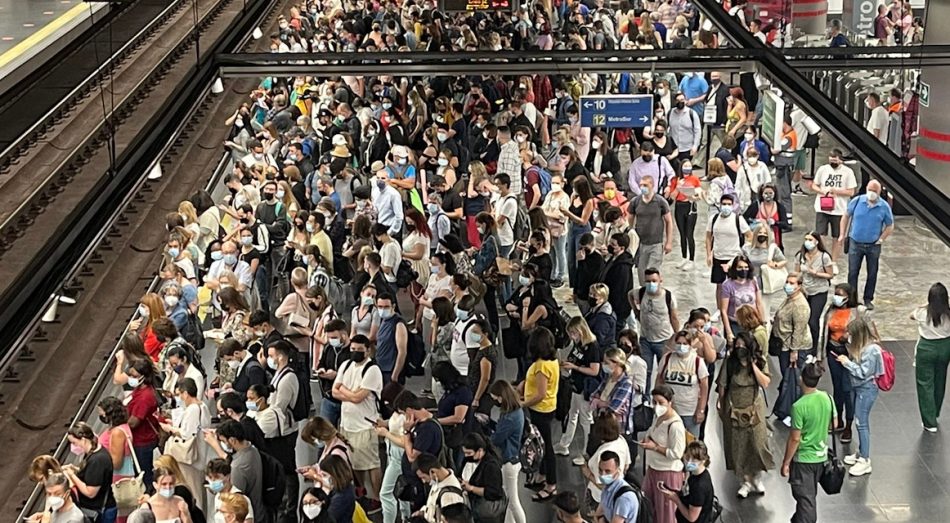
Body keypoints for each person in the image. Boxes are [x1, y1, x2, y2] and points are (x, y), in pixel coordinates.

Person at [716, 331, 773, 498]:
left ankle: (757, 476)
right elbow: (722, 385)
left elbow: (765, 382)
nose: (740, 348)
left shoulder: (760, 361)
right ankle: (745, 481)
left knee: (757, 443)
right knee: (737, 446)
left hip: (754, 406)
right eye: (737, 345)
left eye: (743, 346)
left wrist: (753, 365)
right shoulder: (730, 362)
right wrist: (721, 405)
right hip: (734, 406)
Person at [331, 334, 384, 503]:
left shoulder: (372, 370)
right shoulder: (346, 365)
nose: (354, 353)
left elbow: (358, 398)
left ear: (367, 351)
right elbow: (334, 391)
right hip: (347, 425)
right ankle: (361, 490)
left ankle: (376, 496)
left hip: (365, 425)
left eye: (359, 350)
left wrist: (344, 390)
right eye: (352, 349)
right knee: (354, 463)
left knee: (371, 464)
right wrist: (350, 393)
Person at [781, 362, 835, 523]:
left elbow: (795, 438)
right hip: (821, 457)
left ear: (801, 379)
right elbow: (835, 424)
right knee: (808, 497)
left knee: (806, 503)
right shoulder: (827, 398)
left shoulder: (799, 406)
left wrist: (786, 462)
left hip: (803, 460)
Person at [835, 317, 884, 476]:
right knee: (859, 421)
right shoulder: (862, 347)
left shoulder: (871, 351)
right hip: (859, 388)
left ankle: (865, 459)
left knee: (861, 423)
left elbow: (863, 373)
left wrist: (846, 363)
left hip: (866, 389)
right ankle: (862, 451)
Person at [839, 179, 894, 311]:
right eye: (870, 190)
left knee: (872, 273)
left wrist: (881, 239)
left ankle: (868, 298)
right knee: (852, 272)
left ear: (879, 192)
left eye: (875, 191)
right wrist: (842, 233)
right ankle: (852, 298)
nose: (871, 193)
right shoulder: (857, 201)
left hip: (873, 245)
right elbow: (846, 216)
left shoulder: (884, 207)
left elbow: (890, 225)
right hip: (855, 242)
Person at [520, 327, 560, 502]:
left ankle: (551, 484)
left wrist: (523, 403)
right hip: (547, 407)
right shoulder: (552, 361)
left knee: (546, 446)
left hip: (540, 409)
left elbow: (540, 393)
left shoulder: (542, 366)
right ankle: (543, 475)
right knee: (543, 443)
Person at [556, 316, 603, 456]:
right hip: (576, 385)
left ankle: (587, 451)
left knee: (586, 420)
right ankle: (564, 444)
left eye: (573, 333)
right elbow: (574, 358)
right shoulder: (578, 344)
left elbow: (595, 371)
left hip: (586, 388)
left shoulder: (593, 347)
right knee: (572, 415)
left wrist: (575, 367)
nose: (571, 336)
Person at [656, 330, 709, 437]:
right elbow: (659, 380)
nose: (681, 346)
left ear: (690, 345)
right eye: (679, 343)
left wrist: (701, 410)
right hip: (669, 410)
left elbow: (704, 387)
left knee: (690, 444)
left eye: (685, 344)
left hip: (689, 412)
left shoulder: (697, 361)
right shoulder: (667, 358)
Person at [913, 282, 950, 432]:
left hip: (926, 348)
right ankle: (935, 411)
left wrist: (924, 305)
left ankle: (929, 422)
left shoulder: (923, 313)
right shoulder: (948, 312)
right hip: (945, 347)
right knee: (940, 380)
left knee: (925, 384)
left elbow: (911, 315)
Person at [208, 421, 264, 520]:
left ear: (233, 440)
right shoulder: (252, 450)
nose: (223, 444)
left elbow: (234, 500)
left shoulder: (237, 467)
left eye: (224, 441)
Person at [63, 422, 118, 523]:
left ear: (83, 440)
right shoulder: (94, 453)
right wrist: (76, 470)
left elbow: (90, 492)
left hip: (101, 511)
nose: (73, 446)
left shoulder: (97, 460)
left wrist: (72, 475)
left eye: (74, 443)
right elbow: (91, 474)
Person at [488, 380, 526, 523]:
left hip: (509, 461)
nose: (495, 401)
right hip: (513, 458)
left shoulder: (510, 417)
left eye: (495, 398)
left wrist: (489, 428)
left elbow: (497, 438)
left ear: (501, 397)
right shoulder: (516, 411)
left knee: (513, 501)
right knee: (508, 500)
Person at [633, 267, 679, 387]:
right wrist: (635, 310)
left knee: (664, 372)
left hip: (663, 340)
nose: (651, 284)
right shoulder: (640, 292)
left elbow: (674, 317)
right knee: (644, 371)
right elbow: (629, 295)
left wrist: (677, 336)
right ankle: (645, 399)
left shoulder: (668, 297)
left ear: (660, 280)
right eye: (648, 281)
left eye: (654, 280)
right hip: (645, 340)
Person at [810, 149, 857, 262]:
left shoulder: (848, 172)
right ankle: (822, 258)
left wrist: (836, 191)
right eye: (831, 160)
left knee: (837, 236)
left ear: (840, 160)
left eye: (835, 160)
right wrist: (823, 192)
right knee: (821, 234)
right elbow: (814, 185)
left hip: (839, 209)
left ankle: (834, 260)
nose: (833, 163)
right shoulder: (823, 169)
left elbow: (851, 192)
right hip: (822, 207)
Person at [627, 175, 674, 287]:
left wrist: (669, 242)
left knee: (652, 272)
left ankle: (654, 294)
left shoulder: (660, 202)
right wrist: (631, 230)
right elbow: (630, 216)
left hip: (656, 243)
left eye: (645, 185)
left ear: (652, 185)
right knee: (641, 273)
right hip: (641, 244)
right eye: (641, 185)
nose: (642, 187)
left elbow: (669, 221)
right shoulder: (636, 201)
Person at [579, 414, 631, 512]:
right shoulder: (621, 440)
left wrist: (588, 473)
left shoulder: (603, 454)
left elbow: (602, 484)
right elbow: (627, 465)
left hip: (599, 498)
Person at [794, 232, 834, 353]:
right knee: (803, 318)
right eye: (806, 239)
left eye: (810, 239)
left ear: (817, 241)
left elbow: (830, 274)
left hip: (819, 290)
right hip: (805, 290)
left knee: (813, 319)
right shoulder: (800, 256)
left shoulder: (824, 257)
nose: (807, 242)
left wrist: (815, 273)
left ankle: (814, 348)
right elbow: (796, 273)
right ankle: (803, 343)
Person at [659, 441, 716, 523]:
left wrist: (676, 500)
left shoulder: (699, 486)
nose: (689, 462)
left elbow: (692, 517)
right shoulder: (697, 474)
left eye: (694, 459)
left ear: (703, 460)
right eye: (688, 456)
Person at [125, 359, 160, 490]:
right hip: (138, 441)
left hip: (143, 443)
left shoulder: (145, 397)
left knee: (145, 476)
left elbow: (134, 422)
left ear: (143, 376)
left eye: (134, 376)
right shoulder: (139, 390)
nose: (131, 379)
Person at [459, 433, 506, 523]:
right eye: (464, 453)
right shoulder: (468, 460)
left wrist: (471, 488)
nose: (466, 456)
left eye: (469, 453)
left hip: (486, 512)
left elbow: (494, 492)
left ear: (480, 451)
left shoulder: (491, 466)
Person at [718, 255, 765, 344]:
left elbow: (759, 303)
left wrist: (762, 323)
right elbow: (724, 310)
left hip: (752, 323)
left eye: (746, 267)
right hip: (735, 324)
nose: (743, 270)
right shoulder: (727, 285)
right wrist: (729, 332)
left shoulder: (754, 281)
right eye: (740, 267)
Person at [412, 453, 468, 523]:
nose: (423, 481)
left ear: (432, 472)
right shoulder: (437, 481)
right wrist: (423, 513)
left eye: (423, 477)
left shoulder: (449, 495)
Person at [668, 161, 702, 269]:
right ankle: (684, 257)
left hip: (690, 206)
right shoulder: (675, 180)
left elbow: (699, 195)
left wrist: (693, 197)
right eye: (685, 165)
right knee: (682, 234)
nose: (687, 167)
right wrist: (678, 187)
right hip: (679, 206)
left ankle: (691, 259)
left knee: (689, 234)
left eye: (689, 165)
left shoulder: (695, 179)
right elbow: (672, 197)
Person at [565, 177, 596, 289]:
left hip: (582, 230)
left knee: (580, 259)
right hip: (572, 228)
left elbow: (583, 221)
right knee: (571, 260)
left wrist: (568, 214)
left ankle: (580, 286)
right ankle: (573, 286)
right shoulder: (574, 197)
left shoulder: (588, 201)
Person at [593, 450, 640, 523]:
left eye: (608, 471)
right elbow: (598, 513)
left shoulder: (624, 498)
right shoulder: (607, 487)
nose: (603, 475)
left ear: (618, 470)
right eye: (600, 470)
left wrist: (600, 519)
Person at [375, 293, 409, 386]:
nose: (382, 309)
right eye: (380, 306)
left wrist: (395, 375)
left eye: (386, 307)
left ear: (393, 306)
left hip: (390, 371)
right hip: (380, 368)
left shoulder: (398, 324)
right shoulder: (383, 320)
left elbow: (402, 352)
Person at [319, 454, 357, 522]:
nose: (322, 478)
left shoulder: (340, 498)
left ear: (334, 474)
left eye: (324, 475)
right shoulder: (344, 488)